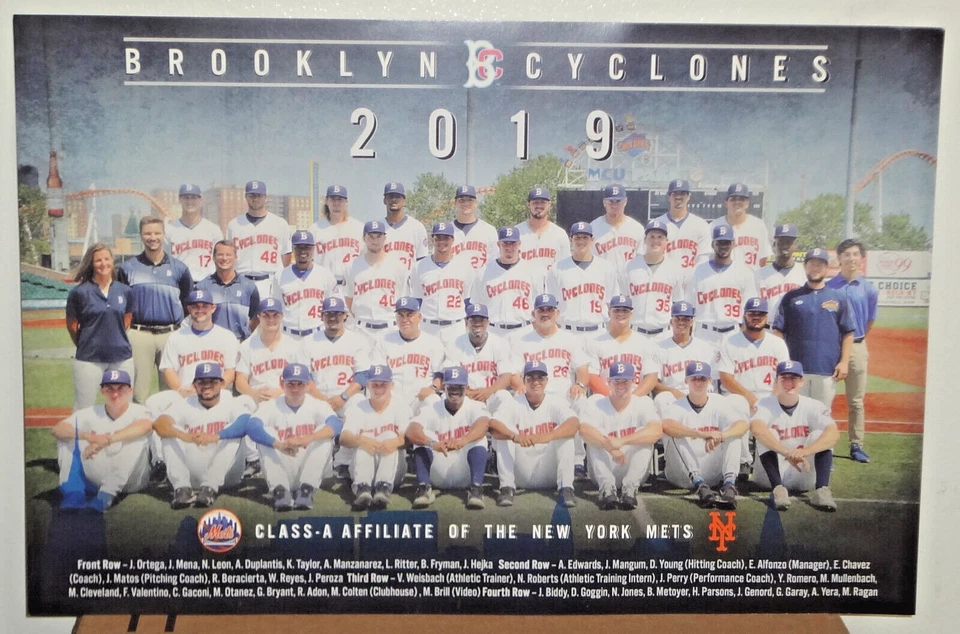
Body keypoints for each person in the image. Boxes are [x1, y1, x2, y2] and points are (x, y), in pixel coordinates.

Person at [150, 364, 258, 508]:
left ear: (222, 383)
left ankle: (210, 487)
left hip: (227, 475)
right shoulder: (185, 403)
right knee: (170, 430)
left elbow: (246, 423)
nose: (207, 386)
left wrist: (215, 436)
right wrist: (183, 435)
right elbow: (159, 424)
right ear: (194, 385)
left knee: (232, 430)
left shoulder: (231, 402)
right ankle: (182, 489)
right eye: (201, 382)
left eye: (212, 381)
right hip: (192, 472)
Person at [51, 370, 153, 512]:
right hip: (98, 474)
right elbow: (58, 429)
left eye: (121, 389)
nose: (115, 394)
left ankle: (106, 496)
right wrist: (90, 437)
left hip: (133, 479)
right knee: (68, 437)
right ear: (102, 391)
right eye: (109, 389)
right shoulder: (90, 412)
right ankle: (73, 492)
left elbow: (145, 426)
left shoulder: (139, 410)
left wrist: (106, 440)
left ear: (130, 390)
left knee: (136, 438)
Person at [243, 363, 341, 511]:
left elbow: (336, 424)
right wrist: (278, 444)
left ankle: (306, 490)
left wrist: (308, 438)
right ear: (282, 384)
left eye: (300, 384)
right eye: (290, 384)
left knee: (324, 432)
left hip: (310, 464)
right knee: (267, 432)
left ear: (308, 385)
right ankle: (280, 491)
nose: (295, 389)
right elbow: (251, 427)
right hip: (282, 463)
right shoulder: (270, 405)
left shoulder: (318, 405)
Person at [118, 216, 193, 405]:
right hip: (139, 334)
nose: (153, 237)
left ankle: (167, 432)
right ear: (141, 236)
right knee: (138, 394)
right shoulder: (128, 268)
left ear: (164, 235)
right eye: (148, 233)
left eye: (157, 233)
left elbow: (188, 303)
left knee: (170, 394)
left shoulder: (180, 268)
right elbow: (122, 305)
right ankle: (139, 433)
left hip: (170, 334)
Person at [750, 361, 841, 512]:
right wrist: (787, 453)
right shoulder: (764, 404)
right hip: (767, 476)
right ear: (776, 380)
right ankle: (777, 489)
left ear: (801, 381)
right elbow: (757, 429)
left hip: (801, 472)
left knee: (821, 435)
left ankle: (822, 490)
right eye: (784, 378)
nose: (788, 382)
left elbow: (834, 434)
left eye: (794, 378)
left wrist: (804, 452)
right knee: (767, 433)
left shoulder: (814, 405)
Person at [772, 248, 855, 411]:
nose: (815, 268)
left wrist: (844, 362)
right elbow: (778, 331)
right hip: (796, 369)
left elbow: (848, 332)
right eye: (812, 264)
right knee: (794, 414)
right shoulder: (791, 297)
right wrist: (783, 361)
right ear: (805, 266)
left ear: (827, 268)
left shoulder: (838, 298)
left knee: (821, 416)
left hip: (826, 369)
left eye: (820, 265)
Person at [488, 361, 580, 508]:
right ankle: (506, 487)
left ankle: (566, 488)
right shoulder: (513, 402)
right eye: (530, 378)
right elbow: (493, 425)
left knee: (564, 436)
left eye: (540, 378)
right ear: (523, 381)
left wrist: (547, 436)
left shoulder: (556, 401)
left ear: (547, 381)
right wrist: (514, 436)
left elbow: (574, 424)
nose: (535, 382)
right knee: (505, 432)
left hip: (549, 471)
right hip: (519, 473)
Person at [717, 297, 790, 481]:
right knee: (737, 404)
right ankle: (742, 461)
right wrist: (752, 400)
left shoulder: (777, 344)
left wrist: (770, 401)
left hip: (769, 395)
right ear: (745, 316)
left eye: (761, 314)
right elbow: (726, 378)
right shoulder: (730, 342)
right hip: (739, 395)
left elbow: (784, 378)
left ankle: (765, 463)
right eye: (752, 314)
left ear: (767, 317)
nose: (756, 317)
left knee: (764, 481)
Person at [660, 361, 749, 509]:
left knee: (734, 434)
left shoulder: (719, 402)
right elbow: (667, 426)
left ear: (710, 381)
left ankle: (729, 485)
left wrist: (721, 436)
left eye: (702, 378)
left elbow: (743, 425)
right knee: (674, 434)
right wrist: (701, 434)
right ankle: (699, 484)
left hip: (712, 471)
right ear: (686, 381)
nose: (698, 382)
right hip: (681, 474)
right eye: (694, 378)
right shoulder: (677, 405)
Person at [578, 362, 662, 510]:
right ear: (609, 382)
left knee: (644, 433)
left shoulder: (643, 402)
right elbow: (584, 430)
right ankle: (607, 488)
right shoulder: (596, 403)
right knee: (596, 433)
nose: (621, 385)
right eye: (617, 381)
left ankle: (630, 488)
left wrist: (621, 441)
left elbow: (656, 431)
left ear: (633, 382)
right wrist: (610, 447)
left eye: (625, 381)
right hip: (602, 468)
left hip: (631, 467)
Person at [826, 238, 879, 464]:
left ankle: (856, 445)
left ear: (861, 258)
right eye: (846, 254)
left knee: (855, 401)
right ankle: (824, 447)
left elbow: (869, 322)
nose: (851, 258)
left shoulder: (868, 289)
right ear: (839, 259)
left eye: (855, 254)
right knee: (824, 399)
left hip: (856, 346)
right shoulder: (829, 287)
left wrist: (856, 343)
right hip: (830, 347)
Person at [406, 366, 491, 510]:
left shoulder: (474, 406)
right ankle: (424, 488)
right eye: (451, 386)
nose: (455, 391)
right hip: (438, 469)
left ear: (467, 388)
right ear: (444, 387)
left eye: (459, 386)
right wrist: (433, 444)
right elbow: (411, 430)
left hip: (465, 470)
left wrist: (463, 440)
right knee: (422, 437)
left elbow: (484, 425)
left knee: (479, 438)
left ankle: (476, 489)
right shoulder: (433, 407)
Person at [66, 242, 135, 410]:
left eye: (107, 259)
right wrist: (88, 342)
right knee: (84, 407)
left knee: (123, 407)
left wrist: (113, 338)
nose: (103, 264)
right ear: (91, 263)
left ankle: (120, 437)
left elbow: (126, 320)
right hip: (89, 359)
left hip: (121, 357)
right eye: (98, 260)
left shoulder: (125, 291)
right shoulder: (79, 292)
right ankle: (82, 437)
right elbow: (72, 325)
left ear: (112, 261)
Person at [340, 365, 410, 510]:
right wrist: (361, 440)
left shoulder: (401, 406)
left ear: (392, 385)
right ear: (368, 385)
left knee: (391, 438)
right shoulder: (357, 407)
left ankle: (383, 489)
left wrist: (395, 441)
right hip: (363, 465)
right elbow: (343, 438)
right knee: (362, 441)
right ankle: (362, 489)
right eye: (375, 384)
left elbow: (408, 438)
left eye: (383, 384)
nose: (378, 389)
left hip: (393, 468)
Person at [686, 223, 758, 346]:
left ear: (733, 244)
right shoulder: (698, 271)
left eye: (727, 242)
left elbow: (749, 309)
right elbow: (689, 307)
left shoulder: (744, 272)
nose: (723, 246)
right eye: (719, 243)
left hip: (733, 332)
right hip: (704, 333)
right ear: (712, 244)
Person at [159, 289, 239, 396]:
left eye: (205, 306)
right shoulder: (176, 337)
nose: (200, 310)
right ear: (189, 309)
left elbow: (231, 370)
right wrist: (181, 389)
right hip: (187, 395)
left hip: (218, 396)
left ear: (213, 308)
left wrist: (214, 390)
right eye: (195, 306)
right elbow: (169, 370)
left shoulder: (227, 337)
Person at [372, 297, 446, 412]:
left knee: (433, 400)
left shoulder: (433, 343)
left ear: (419, 317)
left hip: (420, 400)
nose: (404, 319)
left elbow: (440, 374)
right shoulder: (384, 341)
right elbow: (377, 375)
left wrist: (433, 388)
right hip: (393, 400)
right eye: (400, 315)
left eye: (409, 314)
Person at [545, 221, 618, 336]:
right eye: (577, 237)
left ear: (592, 239)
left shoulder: (606, 268)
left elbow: (612, 303)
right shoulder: (558, 268)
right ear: (571, 240)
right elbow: (550, 304)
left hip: (598, 331)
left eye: (585, 237)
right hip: (567, 331)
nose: (581, 241)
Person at [301, 296, 371, 416]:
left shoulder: (357, 340)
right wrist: (322, 400)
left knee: (358, 403)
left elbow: (363, 375)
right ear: (321, 316)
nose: (332, 318)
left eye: (337, 314)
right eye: (328, 314)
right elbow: (305, 377)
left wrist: (343, 397)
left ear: (345, 315)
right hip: (318, 397)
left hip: (347, 397)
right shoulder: (308, 342)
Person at [411, 222, 477, 348]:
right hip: (428, 326)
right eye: (438, 238)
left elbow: (468, 300)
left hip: (455, 326)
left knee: (456, 365)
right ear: (432, 239)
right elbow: (417, 300)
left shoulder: (465, 266)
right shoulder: (419, 267)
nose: (441, 242)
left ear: (452, 240)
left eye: (445, 238)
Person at [344, 220, 408, 346]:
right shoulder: (352, 266)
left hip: (389, 327)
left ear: (385, 238)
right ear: (364, 238)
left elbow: (402, 296)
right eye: (371, 236)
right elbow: (349, 298)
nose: (375, 240)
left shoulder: (398, 265)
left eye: (379, 236)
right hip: (362, 328)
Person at [619, 218, 686, 339]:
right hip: (635, 333)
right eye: (652, 236)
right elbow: (623, 299)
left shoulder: (675, 269)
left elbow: (677, 302)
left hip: (664, 333)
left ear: (667, 241)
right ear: (645, 240)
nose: (655, 241)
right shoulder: (629, 266)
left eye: (660, 237)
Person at [652, 301, 720, 418]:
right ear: (671, 322)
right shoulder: (658, 348)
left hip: (701, 395)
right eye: (678, 319)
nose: (681, 322)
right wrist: (674, 393)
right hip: (673, 396)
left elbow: (713, 381)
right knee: (662, 399)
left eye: (686, 319)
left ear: (692, 322)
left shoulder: (706, 348)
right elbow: (654, 384)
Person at [226, 180, 293, 298]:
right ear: (246, 197)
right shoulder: (234, 225)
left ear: (266, 197)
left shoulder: (280, 223)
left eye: (259, 195)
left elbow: (286, 256)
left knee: (269, 315)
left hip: (270, 282)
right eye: (251, 195)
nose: (255, 199)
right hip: (241, 280)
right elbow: (228, 255)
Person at [584, 295, 659, 398]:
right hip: (605, 397)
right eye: (616, 310)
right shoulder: (595, 343)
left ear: (631, 314)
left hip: (636, 396)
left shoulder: (644, 343)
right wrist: (611, 397)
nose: (620, 313)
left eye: (625, 310)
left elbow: (651, 377)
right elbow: (591, 376)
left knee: (647, 404)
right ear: (609, 313)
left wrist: (633, 398)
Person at [443, 303, 514, 412]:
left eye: (481, 320)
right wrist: (467, 393)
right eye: (473, 320)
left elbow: (506, 376)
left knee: (504, 396)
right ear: (466, 322)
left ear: (488, 322)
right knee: (445, 397)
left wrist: (489, 391)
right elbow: (450, 377)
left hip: (491, 395)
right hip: (466, 397)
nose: (477, 324)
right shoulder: (455, 344)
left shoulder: (500, 343)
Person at [271, 229, 339, 340]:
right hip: (288, 336)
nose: (303, 251)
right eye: (299, 247)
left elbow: (333, 309)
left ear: (313, 248)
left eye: (306, 247)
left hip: (316, 334)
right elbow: (275, 309)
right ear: (293, 248)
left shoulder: (325, 275)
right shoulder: (280, 276)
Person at [470, 226, 540, 333]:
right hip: (494, 330)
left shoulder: (532, 271)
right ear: (498, 245)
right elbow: (476, 304)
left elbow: (538, 305)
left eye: (513, 243)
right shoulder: (483, 272)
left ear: (519, 244)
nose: (509, 247)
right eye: (505, 243)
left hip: (523, 329)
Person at [195, 240, 260, 342]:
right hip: (211, 343)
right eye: (220, 254)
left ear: (235, 258)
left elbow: (255, 318)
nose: (224, 258)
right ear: (213, 257)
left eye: (228, 255)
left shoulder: (249, 287)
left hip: (239, 343)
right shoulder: (202, 287)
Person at [653, 178, 711, 284]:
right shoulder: (657, 224)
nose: (678, 197)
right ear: (668, 197)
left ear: (688, 196)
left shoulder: (701, 225)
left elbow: (703, 258)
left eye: (682, 193)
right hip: (664, 283)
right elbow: (651, 256)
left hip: (691, 283)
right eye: (675, 194)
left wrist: (692, 277)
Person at [164, 183, 223, 281]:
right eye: (186, 198)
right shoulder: (169, 230)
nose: (190, 201)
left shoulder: (213, 229)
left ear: (201, 200)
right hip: (180, 284)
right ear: (180, 199)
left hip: (207, 282)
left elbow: (221, 259)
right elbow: (164, 261)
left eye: (194, 198)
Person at [514, 187, 571, 287]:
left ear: (549, 204)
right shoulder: (517, 232)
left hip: (551, 289)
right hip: (523, 289)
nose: (539, 206)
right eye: (535, 202)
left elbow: (566, 269)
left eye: (543, 202)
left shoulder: (559, 234)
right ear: (528, 204)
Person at [708, 183, 772, 269]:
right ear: (726, 203)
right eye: (733, 199)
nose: (737, 202)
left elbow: (763, 258)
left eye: (741, 199)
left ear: (747, 203)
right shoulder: (713, 226)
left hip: (751, 279)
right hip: (723, 279)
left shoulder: (759, 226)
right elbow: (709, 256)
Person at [310, 184, 364, 287]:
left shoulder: (359, 228)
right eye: (332, 199)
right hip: (324, 285)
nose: (336, 203)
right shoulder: (315, 229)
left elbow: (366, 258)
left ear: (346, 202)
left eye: (340, 200)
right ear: (326, 201)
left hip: (351, 285)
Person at [590, 183, 645, 274]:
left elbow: (642, 259)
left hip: (629, 281)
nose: (614, 205)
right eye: (611, 201)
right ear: (604, 202)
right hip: (603, 280)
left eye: (618, 201)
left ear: (625, 201)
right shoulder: (593, 227)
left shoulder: (637, 228)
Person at [755, 223, 805, 318]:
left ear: (795, 245)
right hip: (768, 327)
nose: (785, 246)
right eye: (781, 242)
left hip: (794, 327)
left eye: (788, 242)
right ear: (774, 244)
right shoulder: (760, 274)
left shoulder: (803, 272)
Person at [381, 181, 429, 278]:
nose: (394, 200)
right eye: (390, 196)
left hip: (409, 286)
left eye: (398, 196)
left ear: (404, 200)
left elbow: (422, 262)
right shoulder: (378, 228)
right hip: (383, 284)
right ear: (384, 200)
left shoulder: (417, 227)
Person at [450, 185, 499, 271]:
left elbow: (495, 262)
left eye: (470, 200)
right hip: (453, 282)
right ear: (455, 203)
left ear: (476, 203)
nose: (466, 203)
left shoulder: (489, 230)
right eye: (461, 200)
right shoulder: (447, 230)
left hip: (481, 283)